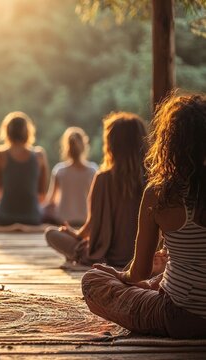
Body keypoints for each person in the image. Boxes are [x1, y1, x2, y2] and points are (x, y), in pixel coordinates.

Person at [82, 94, 206, 338]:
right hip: (181, 296)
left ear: (169, 142)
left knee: (93, 280)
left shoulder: (160, 193)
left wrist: (121, 276)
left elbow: (138, 272)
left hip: (181, 316)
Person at [45, 112, 147, 268]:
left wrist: (75, 234)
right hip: (143, 259)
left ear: (111, 144)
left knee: (51, 234)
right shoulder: (153, 178)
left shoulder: (103, 178)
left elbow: (92, 224)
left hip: (106, 257)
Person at [0, 112, 49, 225]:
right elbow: (42, 195)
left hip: (5, 217)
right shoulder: (39, 155)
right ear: (28, 132)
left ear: (7, 132)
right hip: (32, 218)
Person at [44, 127, 97, 227]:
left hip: (63, 223)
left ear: (66, 148)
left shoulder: (59, 170)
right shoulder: (92, 170)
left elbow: (51, 200)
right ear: (84, 146)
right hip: (85, 222)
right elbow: (96, 199)